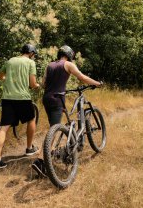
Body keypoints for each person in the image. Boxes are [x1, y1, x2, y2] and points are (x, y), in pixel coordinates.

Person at [31, 45, 102, 177]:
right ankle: (40, 162)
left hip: (46, 98)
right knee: (54, 130)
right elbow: (82, 77)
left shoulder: (50, 65)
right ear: (69, 55)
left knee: (53, 126)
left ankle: (49, 153)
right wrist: (97, 83)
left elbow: (44, 83)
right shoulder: (68, 64)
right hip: (57, 98)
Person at [0, 43, 40, 170]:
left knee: (4, 127)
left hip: (7, 98)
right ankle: (29, 148)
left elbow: (0, 76)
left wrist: (9, 80)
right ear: (31, 53)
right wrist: (38, 86)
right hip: (23, 98)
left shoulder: (10, 61)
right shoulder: (30, 63)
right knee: (31, 120)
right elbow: (33, 84)